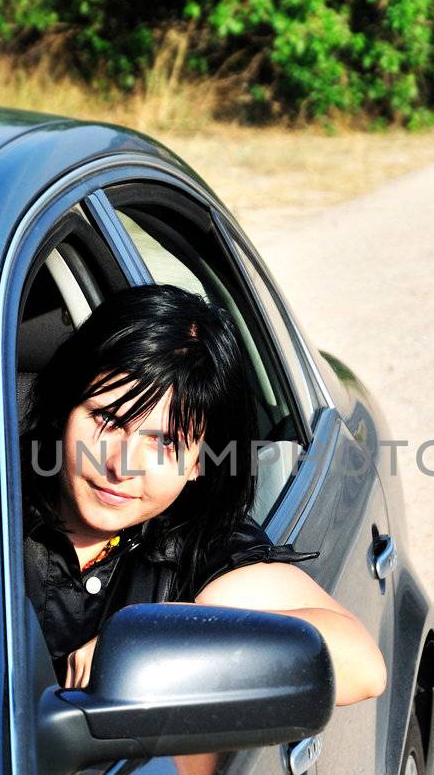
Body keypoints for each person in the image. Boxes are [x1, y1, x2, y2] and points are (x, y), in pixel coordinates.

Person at [21, 283, 387, 707]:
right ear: (66, 406)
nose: (122, 466)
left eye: (165, 444)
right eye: (107, 420)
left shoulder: (195, 549)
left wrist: (159, 640)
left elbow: (362, 666)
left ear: (200, 461)